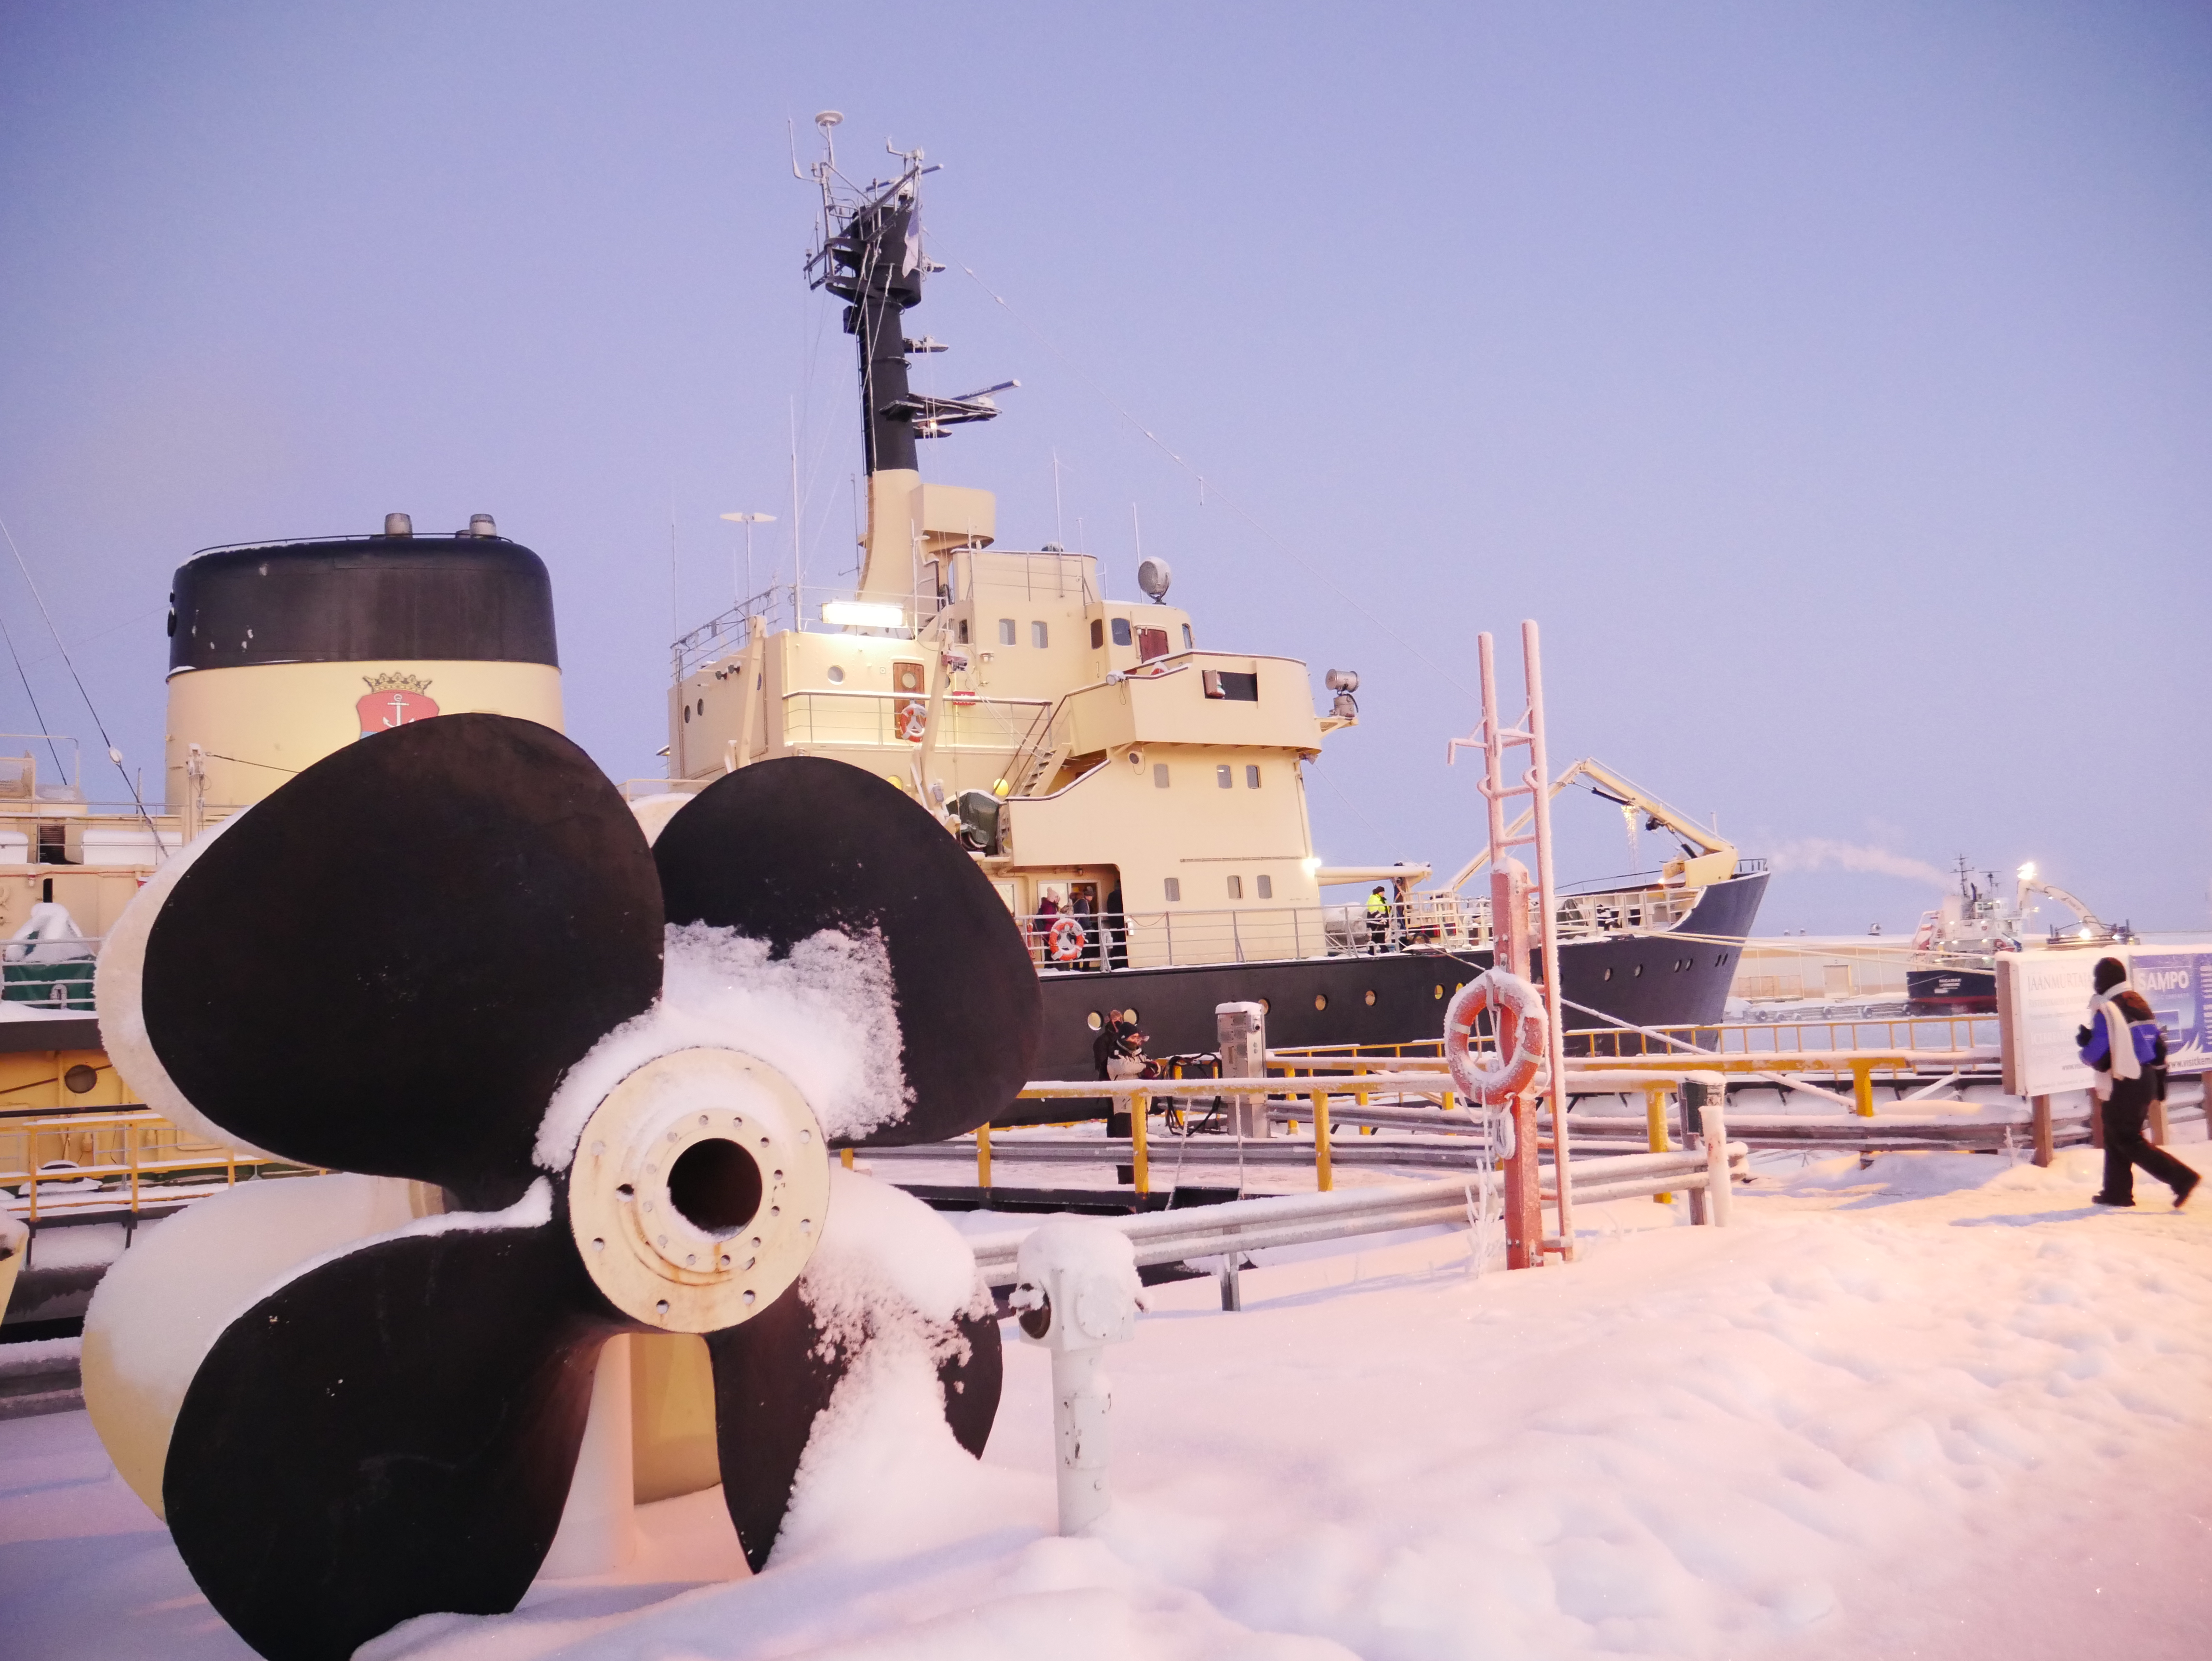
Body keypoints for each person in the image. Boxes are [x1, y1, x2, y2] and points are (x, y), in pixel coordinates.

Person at [2077, 956, 2198, 1210]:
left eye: (2097, 978)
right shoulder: (2137, 1002)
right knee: (2115, 1135)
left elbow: (2095, 1053)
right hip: (2146, 1078)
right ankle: (2116, 1192)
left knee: (2127, 1138)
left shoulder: (2108, 1009)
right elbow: (2155, 1043)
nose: (2095, 983)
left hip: (2125, 1080)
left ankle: (2182, 1178)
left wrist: (2084, 1045)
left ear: (2105, 981)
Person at [1365, 884, 1390, 953]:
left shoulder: (1381, 900)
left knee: (1376, 937)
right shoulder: (1374, 899)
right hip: (1376, 922)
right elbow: (1373, 910)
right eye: (1382, 892)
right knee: (1380, 936)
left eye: (1383, 892)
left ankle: (1372, 951)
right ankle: (1384, 951)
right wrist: (1380, 919)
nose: (1383, 893)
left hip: (1380, 922)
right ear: (1378, 893)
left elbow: (1385, 910)